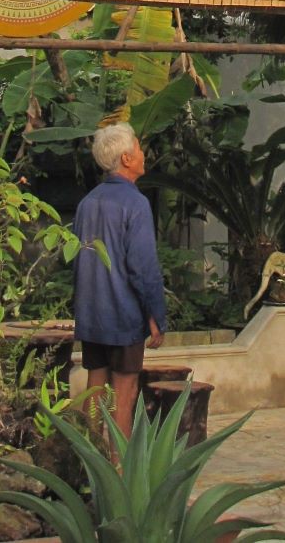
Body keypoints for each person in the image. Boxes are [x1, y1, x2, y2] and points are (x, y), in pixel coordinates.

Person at [72, 123, 167, 446]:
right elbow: (143, 268)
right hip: (124, 315)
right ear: (127, 159)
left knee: (95, 387)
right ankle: (119, 472)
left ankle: (86, 465)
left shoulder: (87, 203)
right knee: (124, 394)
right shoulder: (135, 204)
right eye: (139, 149)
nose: (143, 155)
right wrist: (156, 315)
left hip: (91, 314)